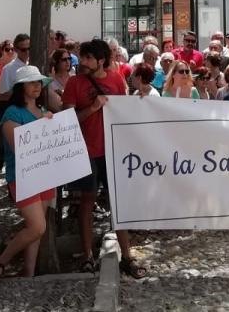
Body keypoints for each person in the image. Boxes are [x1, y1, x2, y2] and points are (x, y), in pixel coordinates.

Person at [62, 39, 147, 278]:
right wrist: (92, 108)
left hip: (112, 150)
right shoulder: (74, 83)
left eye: (89, 58)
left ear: (101, 60)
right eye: (83, 57)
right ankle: (88, 255)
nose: (84, 62)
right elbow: (68, 120)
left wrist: (140, 103)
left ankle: (127, 255)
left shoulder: (116, 80)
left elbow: (124, 111)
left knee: (118, 205)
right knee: (86, 202)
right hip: (85, 151)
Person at [0, 66, 54, 284]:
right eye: (32, 82)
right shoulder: (12, 113)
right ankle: (2, 261)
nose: (37, 86)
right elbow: (19, 148)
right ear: (20, 87)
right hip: (22, 176)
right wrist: (45, 126)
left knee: (36, 229)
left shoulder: (43, 111)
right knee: (37, 226)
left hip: (45, 174)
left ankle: (29, 271)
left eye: (39, 82)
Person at [0, 40, 15, 176]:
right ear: (2, 50)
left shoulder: (16, 66)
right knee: (0, 136)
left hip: (13, 103)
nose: (10, 52)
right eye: (7, 49)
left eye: (12, 49)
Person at [0, 34, 31, 103]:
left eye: (29, 48)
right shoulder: (7, 69)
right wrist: (18, 88)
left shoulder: (34, 65)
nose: (27, 52)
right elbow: (1, 97)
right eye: (23, 49)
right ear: (16, 50)